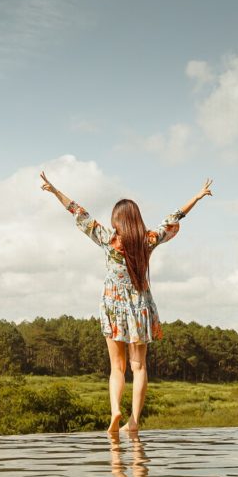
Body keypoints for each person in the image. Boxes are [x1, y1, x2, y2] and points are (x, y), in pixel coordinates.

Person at [40, 171, 213, 434]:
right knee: (139, 366)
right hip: (140, 307)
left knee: (116, 368)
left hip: (113, 306)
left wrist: (54, 191)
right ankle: (134, 420)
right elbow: (173, 218)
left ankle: (115, 411)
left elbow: (77, 211)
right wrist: (197, 197)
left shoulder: (108, 239)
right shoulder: (148, 240)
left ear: (116, 220)